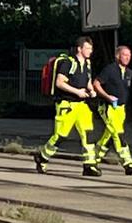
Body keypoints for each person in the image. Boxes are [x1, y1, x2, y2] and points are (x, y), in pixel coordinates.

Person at [34, 36, 100, 176]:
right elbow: (60, 82)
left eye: (91, 48)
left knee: (88, 135)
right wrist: (77, 92)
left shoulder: (87, 64)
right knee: (61, 136)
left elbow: (86, 80)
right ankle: (42, 157)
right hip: (67, 105)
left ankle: (89, 165)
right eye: (87, 48)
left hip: (82, 105)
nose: (90, 51)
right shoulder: (68, 63)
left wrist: (91, 91)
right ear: (79, 49)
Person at [93, 46, 132, 175]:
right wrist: (107, 96)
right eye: (124, 55)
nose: (127, 57)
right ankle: (127, 162)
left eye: (129, 55)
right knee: (117, 134)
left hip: (120, 109)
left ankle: (93, 160)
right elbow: (96, 83)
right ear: (118, 56)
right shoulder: (110, 69)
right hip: (108, 107)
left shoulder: (129, 72)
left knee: (108, 136)